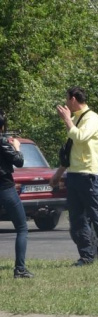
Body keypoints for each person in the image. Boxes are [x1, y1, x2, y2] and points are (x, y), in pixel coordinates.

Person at [50, 86, 98, 268]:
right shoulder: (76, 118)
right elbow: (70, 150)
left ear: (73, 99)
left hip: (87, 174)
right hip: (73, 175)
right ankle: (86, 256)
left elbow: (80, 137)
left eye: (66, 99)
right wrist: (58, 174)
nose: (65, 103)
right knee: (77, 218)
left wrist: (66, 120)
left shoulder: (92, 118)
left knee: (96, 216)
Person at [0, 110, 34, 278]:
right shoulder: (3, 143)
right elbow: (19, 162)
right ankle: (20, 268)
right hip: (5, 188)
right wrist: (17, 147)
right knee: (22, 227)